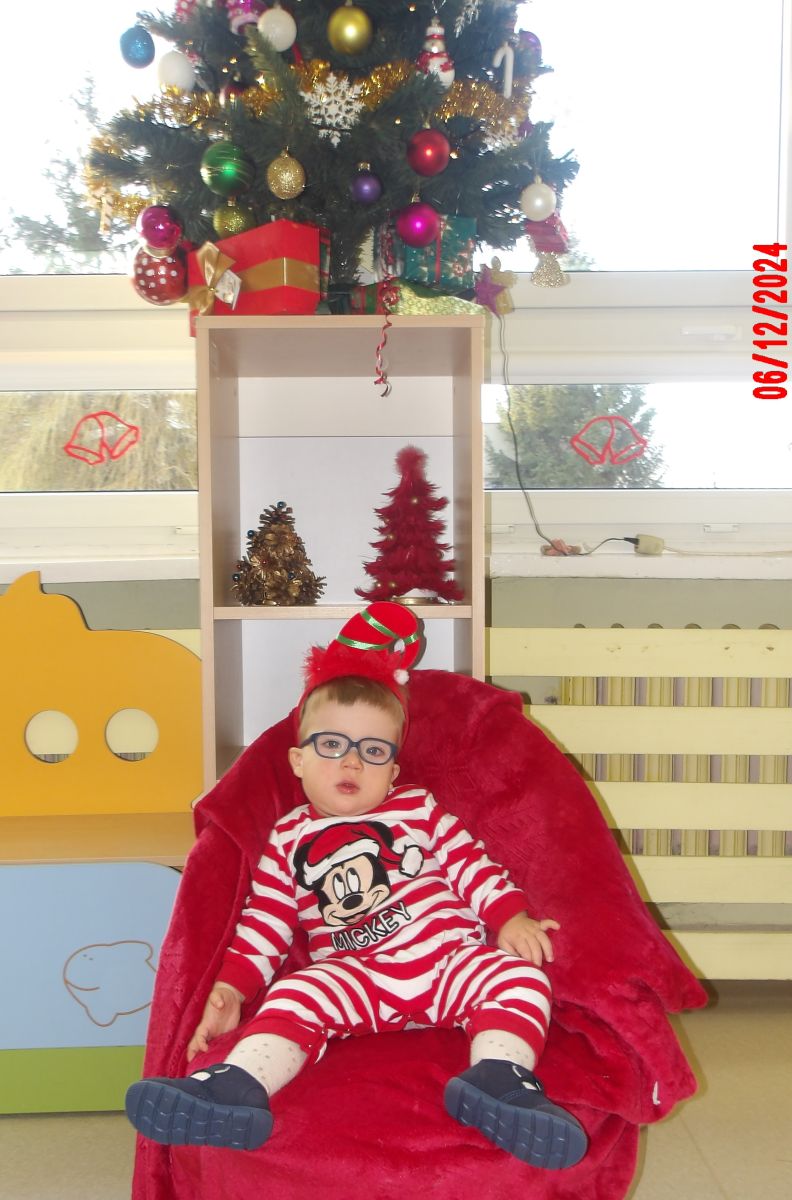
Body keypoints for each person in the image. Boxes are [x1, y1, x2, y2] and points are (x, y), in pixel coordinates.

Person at [126, 602, 587, 1171]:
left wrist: (509, 918)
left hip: (449, 962)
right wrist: (232, 991)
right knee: (297, 992)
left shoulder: (417, 809)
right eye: (331, 745)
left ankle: (499, 1081)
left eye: (373, 751)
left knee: (518, 976)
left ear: (393, 772)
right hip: (357, 976)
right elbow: (264, 924)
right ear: (297, 760)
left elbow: (471, 864)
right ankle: (234, 1089)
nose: (351, 763)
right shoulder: (288, 837)